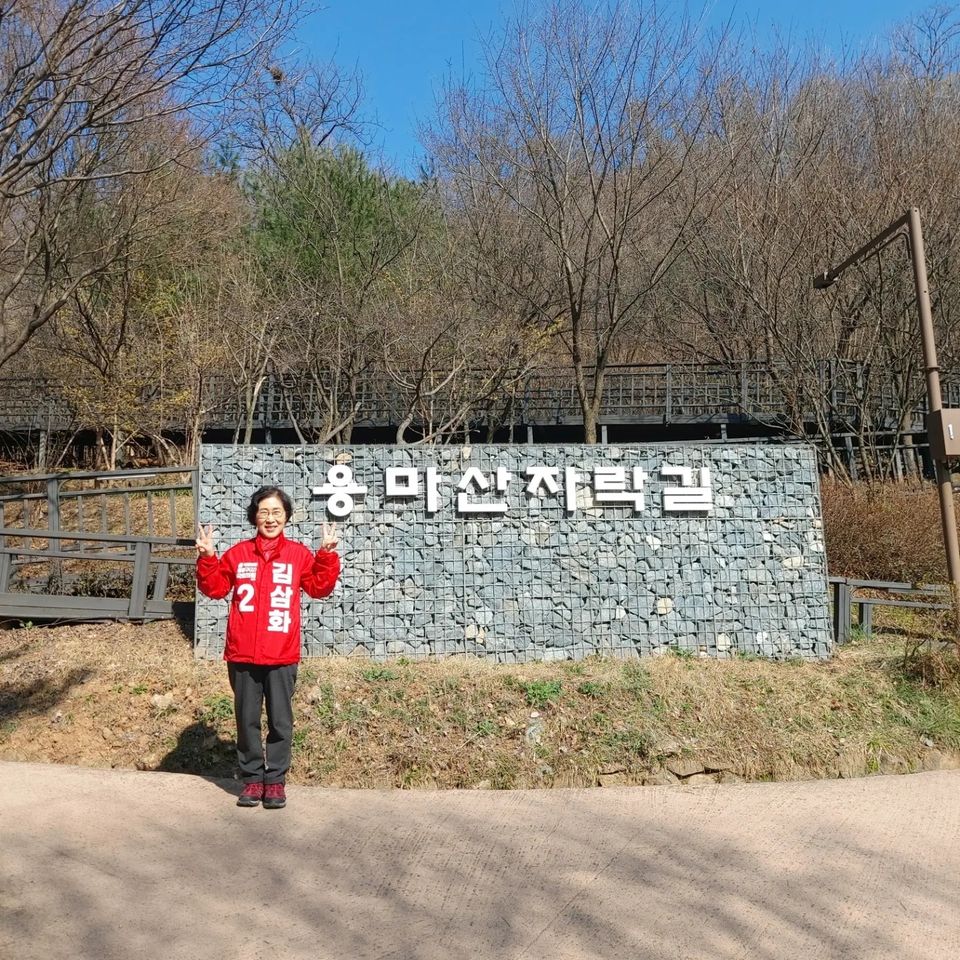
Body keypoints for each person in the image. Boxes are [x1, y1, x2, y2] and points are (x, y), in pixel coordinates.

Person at [195, 485, 340, 809]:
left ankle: (275, 781)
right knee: (246, 720)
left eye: (276, 512)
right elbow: (215, 588)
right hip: (243, 653)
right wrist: (208, 558)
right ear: (254, 517)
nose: (270, 518)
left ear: (286, 517)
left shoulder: (298, 555)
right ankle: (251, 780)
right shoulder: (238, 554)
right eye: (264, 512)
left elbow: (318, 588)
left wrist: (326, 555)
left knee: (280, 721)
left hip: (281, 653)